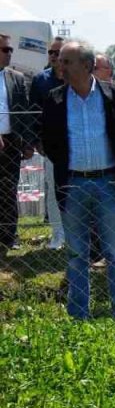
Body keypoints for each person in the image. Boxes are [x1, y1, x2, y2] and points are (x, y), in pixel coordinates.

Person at [39, 41, 115, 319]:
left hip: (108, 183)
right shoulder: (55, 99)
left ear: (87, 65)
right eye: (60, 61)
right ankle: (78, 315)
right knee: (76, 255)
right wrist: (66, 169)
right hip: (72, 186)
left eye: (66, 61)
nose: (60, 66)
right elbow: (49, 141)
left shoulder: (113, 95)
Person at [0, 32, 36, 257]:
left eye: (10, 49)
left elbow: (25, 113)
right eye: (5, 49)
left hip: (11, 141)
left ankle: (8, 237)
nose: (10, 53)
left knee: (8, 189)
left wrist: (28, 142)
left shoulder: (17, 78)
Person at [32, 37, 65, 250]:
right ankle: (57, 235)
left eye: (57, 53)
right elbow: (33, 113)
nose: (52, 56)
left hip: (79, 144)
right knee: (53, 191)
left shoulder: (78, 78)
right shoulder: (40, 80)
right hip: (51, 146)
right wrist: (36, 141)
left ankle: (77, 234)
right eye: (50, 53)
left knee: (77, 191)